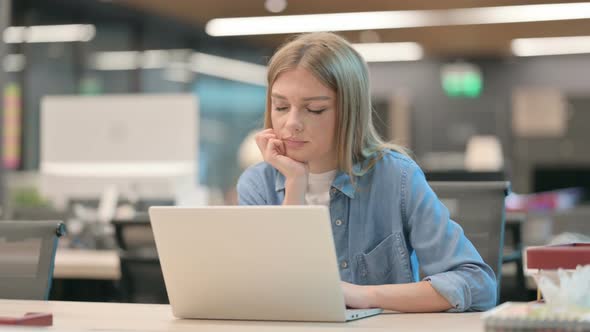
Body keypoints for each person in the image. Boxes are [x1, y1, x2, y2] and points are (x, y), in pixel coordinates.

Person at [236, 32, 496, 313]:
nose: (292, 123)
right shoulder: (258, 184)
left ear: (349, 111)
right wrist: (295, 184)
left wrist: (363, 295)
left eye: (315, 109)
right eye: (281, 106)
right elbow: (271, 293)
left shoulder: (398, 178)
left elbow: (478, 283)